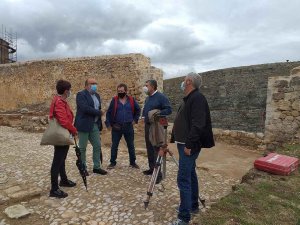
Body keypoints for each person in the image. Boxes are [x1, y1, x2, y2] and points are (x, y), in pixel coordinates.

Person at [170, 72, 215, 225]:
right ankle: (193, 206)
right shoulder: (190, 98)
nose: (182, 83)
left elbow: (198, 124)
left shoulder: (197, 98)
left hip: (189, 146)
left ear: (188, 82)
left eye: (184, 80)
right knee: (190, 174)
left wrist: (189, 144)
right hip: (184, 143)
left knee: (183, 178)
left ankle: (184, 217)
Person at [49, 79, 77, 198]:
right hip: (61, 134)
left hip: (63, 133)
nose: (70, 92)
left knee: (62, 158)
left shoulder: (60, 100)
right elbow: (63, 120)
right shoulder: (59, 102)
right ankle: (54, 188)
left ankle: (64, 180)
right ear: (66, 91)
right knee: (57, 160)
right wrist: (74, 130)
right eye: (69, 90)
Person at [74, 78, 107, 176]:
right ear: (86, 85)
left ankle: (96, 167)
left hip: (94, 124)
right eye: (92, 83)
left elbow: (98, 107)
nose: (94, 85)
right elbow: (84, 108)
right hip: (84, 125)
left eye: (95, 83)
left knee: (97, 145)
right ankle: (83, 167)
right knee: (82, 148)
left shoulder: (97, 95)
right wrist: (99, 112)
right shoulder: (81, 95)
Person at [141, 79, 172, 184]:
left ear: (153, 87)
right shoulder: (148, 98)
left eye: (147, 85)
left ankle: (158, 174)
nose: (145, 87)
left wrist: (157, 114)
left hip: (157, 127)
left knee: (156, 148)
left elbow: (169, 110)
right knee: (149, 147)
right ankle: (151, 168)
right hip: (148, 126)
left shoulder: (161, 97)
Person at [105, 83, 141, 169]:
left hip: (128, 126)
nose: (120, 92)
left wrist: (135, 120)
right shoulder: (114, 100)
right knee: (114, 145)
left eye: (121, 91)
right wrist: (108, 124)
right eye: (118, 91)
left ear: (126, 91)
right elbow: (109, 112)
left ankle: (132, 162)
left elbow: (138, 110)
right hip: (116, 126)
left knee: (131, 145)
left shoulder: (131, 100)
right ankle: (112, 162)